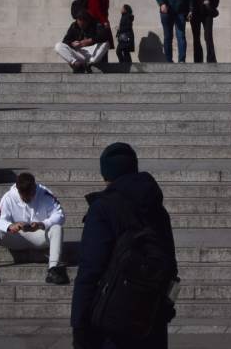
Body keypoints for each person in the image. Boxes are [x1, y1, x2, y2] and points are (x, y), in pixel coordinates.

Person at [71, 141, 177, 349]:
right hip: (151, 317)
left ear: (106, 175)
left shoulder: (102, 208)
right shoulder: (156, 208)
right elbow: (170, 263)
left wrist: (79, 325)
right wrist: (166, 307)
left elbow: (90, 270)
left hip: (113, 321)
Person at [0, 171, 67, 286]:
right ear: (18, 191)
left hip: (40, 235)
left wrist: (41, 224)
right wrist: (10, 226)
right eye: (24, 197)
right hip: (17, 236)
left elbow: (60, 215)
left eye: (31, 195)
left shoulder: (45, 193)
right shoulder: (9, 197)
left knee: (57, 228)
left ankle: (54, 269)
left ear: (35, 187)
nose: (28, 199)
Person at [188, 0, 220, 64]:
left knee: (208, 37)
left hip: (207, 13)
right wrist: (190, 10)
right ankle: (198, 60)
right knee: (196, 38)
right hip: (195, 13)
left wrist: (210, 3)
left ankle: (211, 59)